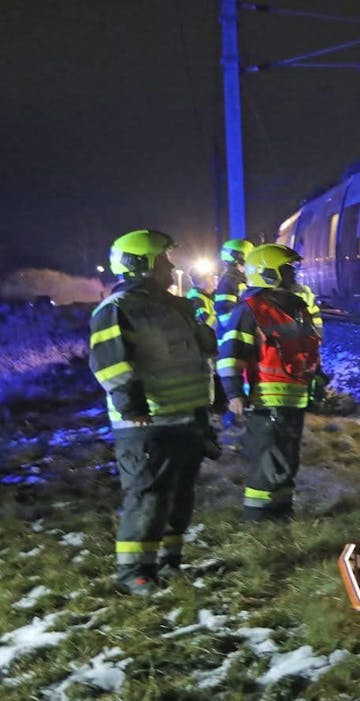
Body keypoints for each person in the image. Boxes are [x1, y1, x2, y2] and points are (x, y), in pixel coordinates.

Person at [88, 230, 221, 595]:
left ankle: (169, 562)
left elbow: (199, 356)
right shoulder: (118, 308)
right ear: (139, 264)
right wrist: (131, 404)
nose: (169, 266)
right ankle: (135, 573)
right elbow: (110, 362)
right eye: (162, 260)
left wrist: (214, 400)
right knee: (147, 496)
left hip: (187, 418)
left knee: (180, 495)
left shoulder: (173, 305)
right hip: (148, 424)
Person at [215, 243, 324, 522]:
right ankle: (259, 522)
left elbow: (309, 348)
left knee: (287, 461)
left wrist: (317, 381)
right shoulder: (249, 309)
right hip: (265, 400)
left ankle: (282, 514)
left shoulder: (298, 307)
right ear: (268, 273)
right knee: (267, 463)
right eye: (287, 269)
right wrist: (234, 393)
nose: (293, 275)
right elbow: (231, 353)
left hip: (294, 399)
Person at [212, 238, 254, 322]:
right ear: (239, 256)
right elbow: (225, 313)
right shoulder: (229, 280)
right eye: (250, 255)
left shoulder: (240, 278)